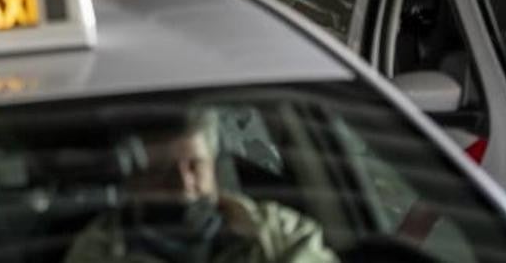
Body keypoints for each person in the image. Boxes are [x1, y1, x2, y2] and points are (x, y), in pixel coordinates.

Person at [64, 110, 335, 263]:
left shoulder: (277, 232)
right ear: (134, 181)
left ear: (214, 168)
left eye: (195, 165)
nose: (183, 184)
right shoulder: (97, 252)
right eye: (163, 170)